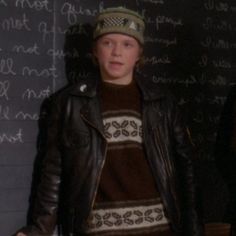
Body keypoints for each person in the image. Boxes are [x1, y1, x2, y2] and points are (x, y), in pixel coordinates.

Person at [14, 6, 204, 236]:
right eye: (107, 43)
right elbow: (53, 173)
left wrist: (194, 229)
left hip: (159, 229)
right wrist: (39, 229)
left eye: (127, 44)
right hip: (98, 232)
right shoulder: (69, 103)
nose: (117, 52)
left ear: (139, 54)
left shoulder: (162, 102)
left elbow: (186, 172)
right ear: (95, 50)